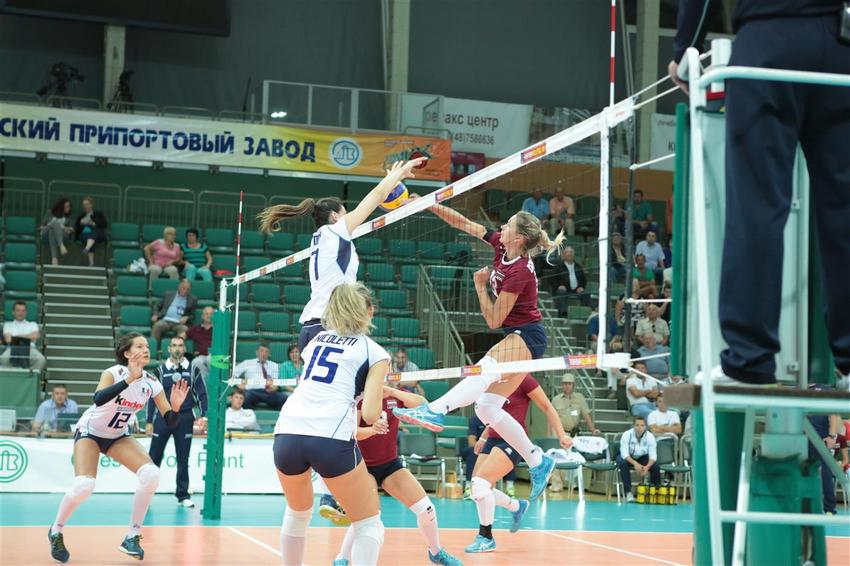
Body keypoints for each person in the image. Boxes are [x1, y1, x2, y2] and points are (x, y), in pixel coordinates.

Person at [670, 0, 850, 387]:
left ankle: (749, 360)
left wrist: (685, 46)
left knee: (756, 207)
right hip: (842, 45)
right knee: (845, 213)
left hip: (767, 45)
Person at [394, 206, 564, 502]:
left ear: (519, 238)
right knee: (486, 408)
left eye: (508, 223)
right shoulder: (501, 243)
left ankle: (435, 410)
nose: (502, 224)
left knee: (485, 367)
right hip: (518, 335)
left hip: (528, 334)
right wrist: (431, 204)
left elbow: (494, 321)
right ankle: (538, 461)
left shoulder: (520, 271)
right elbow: (464, 222)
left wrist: (480, 287)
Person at [273, 283, 390, 566]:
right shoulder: (375, 352)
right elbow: (372, 414)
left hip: (287, 430)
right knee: (368, 522)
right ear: (370, 311)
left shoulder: (316, 342)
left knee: (297, 513)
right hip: (329, 435)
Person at [257, 157, 425, 353]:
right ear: (335, 216)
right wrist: (398, 174)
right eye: (345, 213)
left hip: (311, 328)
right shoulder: (336, 230)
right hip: (332, 326)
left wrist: (392, 180)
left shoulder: (319, 239)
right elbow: (374, 196)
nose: (349, 217)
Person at [47, 332, 189, 563]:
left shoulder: (152, 383)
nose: (146, 349)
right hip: (90, 432)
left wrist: (175, 408)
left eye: (147, 346)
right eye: (139, 346)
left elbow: (170, 420)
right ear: (126, 353)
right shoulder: (113, 373)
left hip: (117, 436)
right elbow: (98, 399)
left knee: (151, 474)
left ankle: (132, 536)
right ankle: (56, 530)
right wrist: (129, 379)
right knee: (85, 484)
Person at [331, 385, 462, 566]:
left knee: (427, 509)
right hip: (363, 467)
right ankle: (342, 558)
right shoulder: (360, 396)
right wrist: (372, 430)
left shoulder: (396, 394)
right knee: (368, 517)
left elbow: (423, 405)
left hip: (390, 465)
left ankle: (436, 552)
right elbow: (353, 432)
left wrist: (392, 391)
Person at [465, 374, 572, 553]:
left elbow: (547, 406)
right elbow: (492, 410)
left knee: (480, 483)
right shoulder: (495, 378)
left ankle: (486, 537)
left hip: (513, 441)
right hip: (492, 438)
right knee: (478, 489)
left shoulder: (524, 379)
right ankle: (516, 506)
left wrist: (561, 435)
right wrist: (484, 436)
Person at [145, 336, 207, 508]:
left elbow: (202, 394)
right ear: (169, 349)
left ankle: (182, 495)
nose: (177, 349)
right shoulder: (159, 370)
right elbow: (152, 397)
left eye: (180, 346)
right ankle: (147, 494)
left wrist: (204, 416)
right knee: (154, 457)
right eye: (174, 346)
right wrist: (149, 420)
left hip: (185, 418)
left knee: (183, 458)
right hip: (163, 418)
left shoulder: (193, 370)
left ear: (184, 348)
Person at [617, 416, 660, 502]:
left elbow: (653, 456)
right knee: (622, 462)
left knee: (655, 466)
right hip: (629, 458)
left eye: (642, 425)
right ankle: (628, 493)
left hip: (643, 457)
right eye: (637, 425)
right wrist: (635, 464)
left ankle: (654, 492)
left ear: (645, 427)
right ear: (633, 426)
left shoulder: (650, 437)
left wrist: (647, 467)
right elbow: (624, 454)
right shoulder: (626, 435)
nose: (639, 428)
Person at [233, 343, 286, 410]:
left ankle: (275, 418)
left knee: (283, 397)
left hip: (269, 392)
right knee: (246, 397)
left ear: (269, 354)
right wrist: (239, 385)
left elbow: (276, 381)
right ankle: (249, 416)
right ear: (257, 352)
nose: (264, 353)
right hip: (252, 391)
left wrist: (275, 387)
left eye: (266, 351)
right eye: (261, 351)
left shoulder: (274, 365)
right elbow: (233, 375)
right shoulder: (247, 363)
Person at [1, 301, 46, 370]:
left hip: (30, 348)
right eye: (18, 310)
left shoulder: (33, 324)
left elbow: (35, 336)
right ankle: (15, 376)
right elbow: (8, 339)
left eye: (23, 311)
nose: (20, 313)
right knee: (3, 359)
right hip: (12, 348)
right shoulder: (8, 325)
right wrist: (28, 336)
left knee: (41, 360)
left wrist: (15, 337)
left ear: (26, 313)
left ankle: (29, 376)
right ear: (13, 312)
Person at [549, 245, 590, 317]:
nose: (569, 254)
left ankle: (585, 315)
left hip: (576, 290)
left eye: (571, 252)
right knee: (561, 292)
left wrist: (581, 287)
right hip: (564, 289)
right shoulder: (558, 266)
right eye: (567, 252)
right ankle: (563, 314)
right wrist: (559, 286)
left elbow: (584, 280)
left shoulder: (578, 266)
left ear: (573, 254)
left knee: (586, 294)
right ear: (564, 254)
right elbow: (552, 279)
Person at [151, 278, 197, 343]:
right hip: (165, 320)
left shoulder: (192, 299)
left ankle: (176, 351)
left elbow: (193, 314)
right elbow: (157, 306)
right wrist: (155, 314)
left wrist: (187, 317)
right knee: (157, 325)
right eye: (183, 288)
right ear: (179, 286)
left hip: (179, 323)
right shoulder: (168, 294)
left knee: (184, 329)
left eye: (188, 289)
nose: (185, 291)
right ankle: (154, 349)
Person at [74, 196, 107, 267]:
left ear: (91, 205)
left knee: (94, 234)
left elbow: (104, 224)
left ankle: (87, 250)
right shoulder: (81, 216)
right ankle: (90, 257)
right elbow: (76, 228)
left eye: (87, 204)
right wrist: (81, 224)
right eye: (84, 205)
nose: (85, 206)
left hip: (98, 234)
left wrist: (93, 223)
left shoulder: (98, 214)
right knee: (91, 237)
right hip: (85, 235)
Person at [40, 198, 74, 265]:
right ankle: (61, 245)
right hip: (45, 234)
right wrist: (62, 227)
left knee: (52, 232)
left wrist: (63, 228)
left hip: (61, 236)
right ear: (61, 207)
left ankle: (54, 259)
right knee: (54, 225)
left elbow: (71, 229)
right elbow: (41, 226)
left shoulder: (69, 217)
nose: (68, 208)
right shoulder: (50, 212)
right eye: (66, 207)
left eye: (69, 207)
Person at [186, 306, 214, 378]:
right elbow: (182, 335)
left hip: (214, 355)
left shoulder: (218, 328)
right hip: (201, 355)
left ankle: (214, 379)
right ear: (202, 316)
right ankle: (205, 380)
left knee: (209, 359)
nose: (209, 316)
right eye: (206, 314)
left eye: (211, 314)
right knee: (195, 362)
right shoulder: (196, 329)